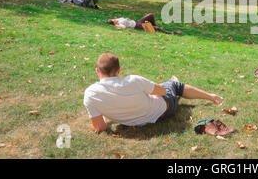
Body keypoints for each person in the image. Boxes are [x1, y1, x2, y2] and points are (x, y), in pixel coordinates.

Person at [83, 53, 223, 132]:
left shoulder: (90, 94)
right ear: (118, 70)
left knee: (164, 87)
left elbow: (100, 127)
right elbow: (161, 92)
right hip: (164, 110)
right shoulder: (133, 80)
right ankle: (211, 97)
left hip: (139, 118)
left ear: (97, 71)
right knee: (172, 85)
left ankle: (173, 86)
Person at [106, 13, 178, 35]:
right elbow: (124, 27)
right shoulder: (119, 24)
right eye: (114, 20)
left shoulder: (118, 20)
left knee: (151, 15)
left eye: (114, 19)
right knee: (156, 29)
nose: (115, 19)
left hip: (137, 22)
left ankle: (154, 26)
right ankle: (171, 33)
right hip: (137, 26)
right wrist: (117, 26)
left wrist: (127, 19)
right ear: (114, 23)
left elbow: (125, 18)